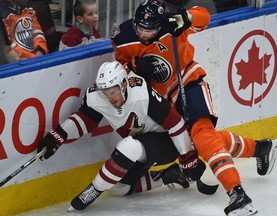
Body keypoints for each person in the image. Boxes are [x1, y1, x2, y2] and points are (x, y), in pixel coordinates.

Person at [110, 1, 277, 215]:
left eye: (150, 29)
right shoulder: (122, 37)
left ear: (160, 25)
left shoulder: (172, 26)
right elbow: (119, 67)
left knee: (202, 135)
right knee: (198, 142)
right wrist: (131, 68)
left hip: (189, 83)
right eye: (140, 29)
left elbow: (204, 17)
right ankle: (259, 149)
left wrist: (186, 17)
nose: (144, 34)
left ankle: (238, 194)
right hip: (160, 100)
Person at [37, 61, 206, 211]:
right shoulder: (97, 96)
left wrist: (187, 155)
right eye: (105, 92)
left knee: (128, 146)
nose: (109, 98)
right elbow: (85, 121)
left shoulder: (141, 93)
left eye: (113, 92)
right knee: (119, 188)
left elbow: (175, 123)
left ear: (124, 84)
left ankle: (94, 190)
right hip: (141, 146)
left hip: (165, 143)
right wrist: (57, 136)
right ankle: (169, 175)